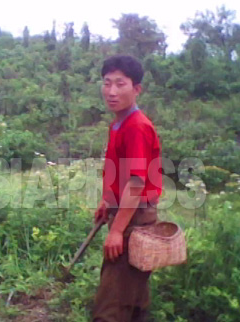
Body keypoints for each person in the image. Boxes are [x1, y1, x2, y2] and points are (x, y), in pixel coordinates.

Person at [93, 55, 162, 322]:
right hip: (126, 211)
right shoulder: (119, 123)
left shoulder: (136, 127)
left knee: (112, 303)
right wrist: (106, 200)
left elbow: (136, 183)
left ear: (136, 89)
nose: (111, 91)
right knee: (132, 295)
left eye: (120, 84)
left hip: (135, 219)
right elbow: (119, 172)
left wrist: (118, 231)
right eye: (107, 83)